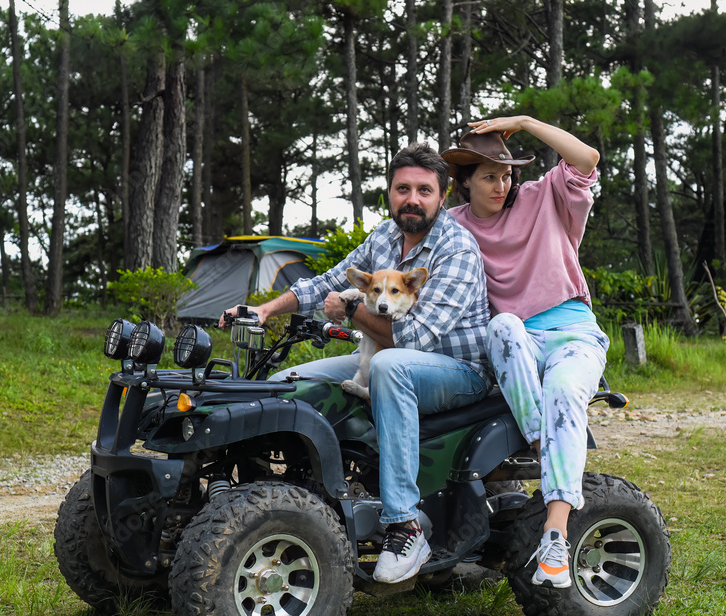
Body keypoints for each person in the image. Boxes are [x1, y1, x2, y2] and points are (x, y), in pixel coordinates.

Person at [221, 142, 492, 584]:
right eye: (402, 188)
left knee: (390, 367)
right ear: (389, 192)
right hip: (388, 357)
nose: (412, 199)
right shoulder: (385, 236)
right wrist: (267, 310)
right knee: (291, 382)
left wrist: (352, 311)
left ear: (443, 196)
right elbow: (328, 282)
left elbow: (416, 340)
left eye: (424, 190)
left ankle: (404, 524)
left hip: (456, 371)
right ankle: (283, 497)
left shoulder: (457, 249)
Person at [441, 116, 609, 589]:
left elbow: (586, 159)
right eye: (489, 175)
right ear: (464, 182)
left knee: (562, 392)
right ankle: (543, 444)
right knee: (504, 325)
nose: (502, 184)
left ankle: (555, 538)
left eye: (507, 174)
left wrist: (525, 121)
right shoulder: (453, 230)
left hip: (572, 332)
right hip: (514, 345)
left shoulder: (545, 199)